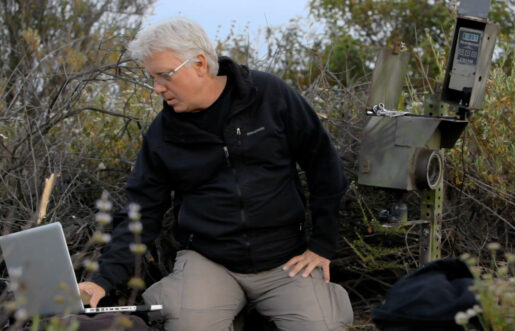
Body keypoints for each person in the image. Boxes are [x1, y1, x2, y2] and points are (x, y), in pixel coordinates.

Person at [79, 17, 353, 330]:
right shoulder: (163, 135)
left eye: (164, 75)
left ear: (198, 63)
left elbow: (324, 164)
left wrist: (322, 245)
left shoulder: (269, 95)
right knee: (187, 325)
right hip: (209, 262)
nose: (157, 88)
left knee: (321, 326)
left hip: (285, 260)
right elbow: (140, 215)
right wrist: (101, 281)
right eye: (152, 78)